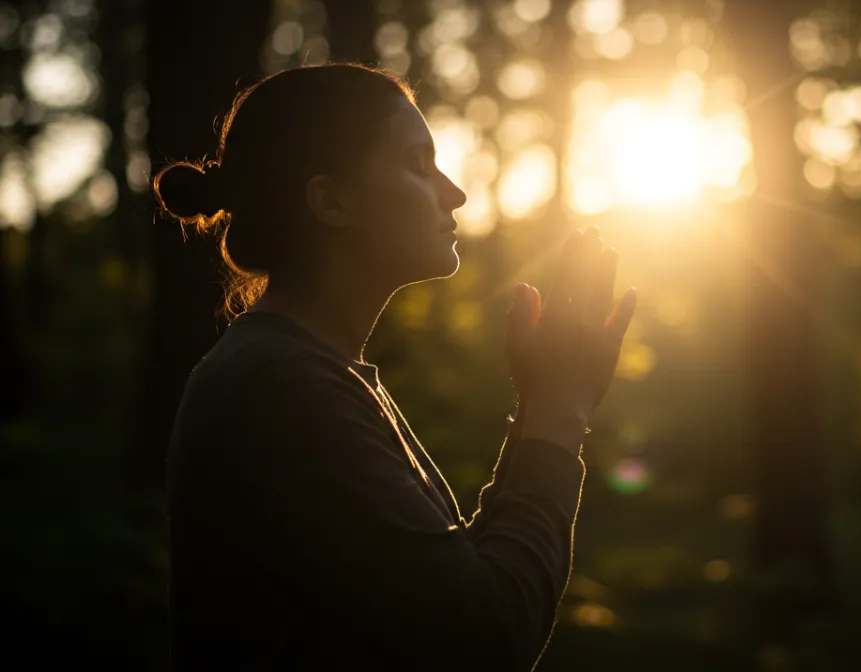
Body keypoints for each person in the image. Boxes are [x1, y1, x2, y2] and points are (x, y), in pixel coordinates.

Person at [158, 63, 638, 670]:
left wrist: (543, 404)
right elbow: (482, 636)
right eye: (419, 164)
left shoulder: (307, 371)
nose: (454, 193)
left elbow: (454, 582)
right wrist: (558, 410)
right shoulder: (282, 388)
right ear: (332, 200)